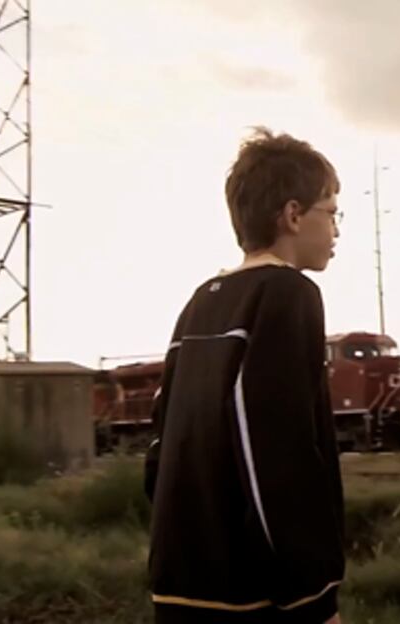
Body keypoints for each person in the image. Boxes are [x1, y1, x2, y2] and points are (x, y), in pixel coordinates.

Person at [145, 128, 345, 624]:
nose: (337, 231)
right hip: (255, 594)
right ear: (293, 215)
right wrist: (312, 594)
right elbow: (277, 451)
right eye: (332, 212)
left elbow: (160, 444)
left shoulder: (200, 301)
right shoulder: (289, 294)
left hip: (179, 582)